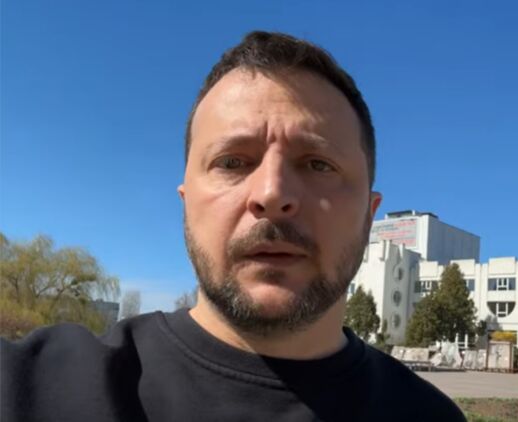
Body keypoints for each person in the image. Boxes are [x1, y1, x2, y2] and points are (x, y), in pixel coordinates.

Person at [1, 31, 466, 422]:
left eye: (318, 164)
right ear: (186, 203)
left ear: (369, 212)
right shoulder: (29, 387)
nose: (272, 193)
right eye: (231, 161)